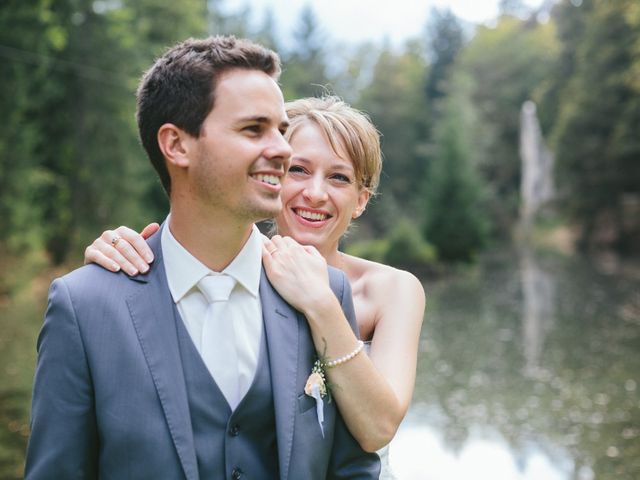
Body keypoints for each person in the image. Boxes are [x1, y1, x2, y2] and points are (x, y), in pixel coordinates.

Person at [25, 36, 380, 479]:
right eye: (254, 129)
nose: (283, 150)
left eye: (281, 130)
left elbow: (353, 469)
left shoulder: (325, 292)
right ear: (176, 145)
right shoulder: (86, 306)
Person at [84, 96, 426, 477]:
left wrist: (321, 304)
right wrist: (111, 273)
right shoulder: (219, 275)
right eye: (298, 169)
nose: (315, 193)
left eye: (338, 177)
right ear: (272, 175)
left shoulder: (393, 290)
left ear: (360, 200)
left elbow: (377, 430)